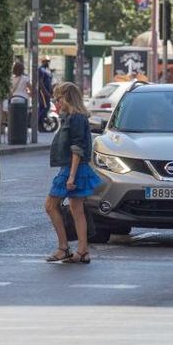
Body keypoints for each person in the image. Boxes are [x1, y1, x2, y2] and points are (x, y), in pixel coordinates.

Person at [44, 82, 101, 264]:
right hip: (75, 168)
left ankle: (63, 248)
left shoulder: (75, 118)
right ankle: (83, 251)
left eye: (58, 98)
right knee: (77, 210)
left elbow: (77, 149)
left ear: (67, 97)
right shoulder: (73, 117)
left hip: (72, 168)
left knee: (51, 206)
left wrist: (70, 176)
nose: (56, 103)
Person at [37, 58, 53, 132]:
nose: (47, 63)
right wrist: (45, 92)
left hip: (48, 93)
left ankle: (41, 124)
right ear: (43, 62)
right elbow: (40, 82)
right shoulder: (40, 70)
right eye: (46, 61)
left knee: (46, 107)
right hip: (42, 93)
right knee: (44, 108)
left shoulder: (48, 70)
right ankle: (38, 123)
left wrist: (51, 92)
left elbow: (50, 82)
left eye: (48, 62)